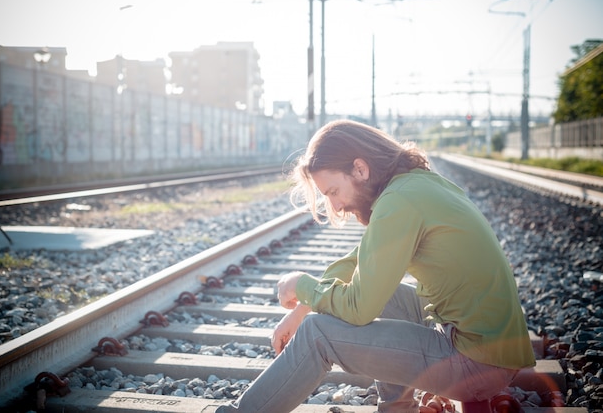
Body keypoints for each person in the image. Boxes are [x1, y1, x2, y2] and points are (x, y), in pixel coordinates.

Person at [213, 120, 535, 413]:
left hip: (476, 363)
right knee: (383, 293)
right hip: (488, 350)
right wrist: (302, 308)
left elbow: (358, 309)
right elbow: (361, 259)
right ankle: (397, 409)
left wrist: (301, 285)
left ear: (360, 169)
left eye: (333, 192)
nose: (335, 206)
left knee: (317, 335)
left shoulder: (398, 202)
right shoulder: (414, 186)